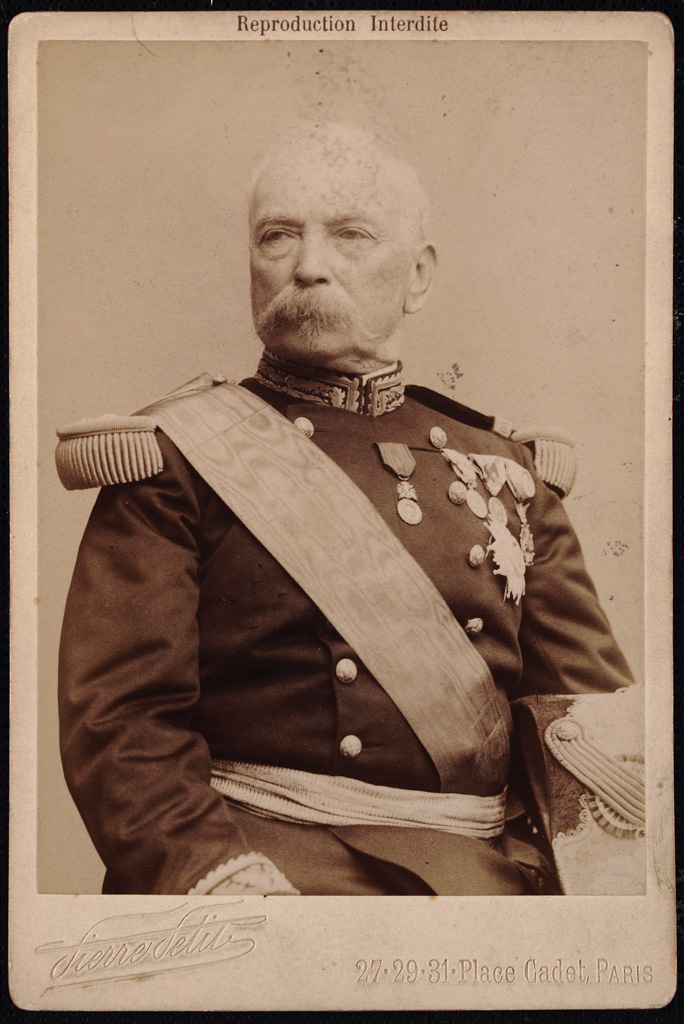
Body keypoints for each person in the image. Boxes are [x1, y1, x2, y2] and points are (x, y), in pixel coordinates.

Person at [56, 122, 634, 897]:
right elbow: (121, 722)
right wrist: (215, 874)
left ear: (418, 276)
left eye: (350, 235)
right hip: (267, 873)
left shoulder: (505, 471)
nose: (307, 266)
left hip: (485, 885)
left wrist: (607, 887)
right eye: (277, 236)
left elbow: (585, 728)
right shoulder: (178, 459)